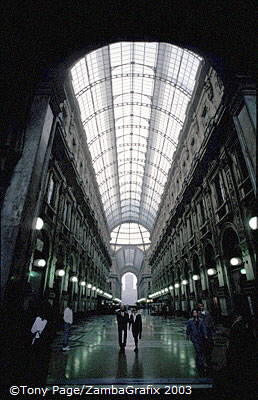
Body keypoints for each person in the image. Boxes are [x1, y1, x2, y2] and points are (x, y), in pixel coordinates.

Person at [186, 309, 208, 373]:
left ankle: (200, 360)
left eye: (196, 312)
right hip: (194, 337)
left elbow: (204, 328)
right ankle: (201, 362)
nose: (195, 314)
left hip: (201, 337)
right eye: (194, 313)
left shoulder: (201, 320)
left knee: (201, 349)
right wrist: (187, 335)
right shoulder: (190, 321)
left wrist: (205, 335)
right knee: (197, 349)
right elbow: (188, 329)